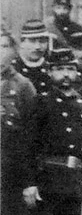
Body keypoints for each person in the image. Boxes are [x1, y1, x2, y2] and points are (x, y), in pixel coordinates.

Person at [21, 48, 82, 215]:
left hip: (78, 179)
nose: (66, 74)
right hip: (49, 180)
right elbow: (27, 146)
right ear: (49, 72)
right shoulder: (41, 103)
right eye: (60, 69)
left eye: (70, 69)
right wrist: (29, 183)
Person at [1, 30, 37, 215]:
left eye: (3, 46)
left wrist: (29, 181)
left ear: (13, 51)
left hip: (11, 173)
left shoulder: (23, 86)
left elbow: (31, 136)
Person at [11, 20, 53, 92]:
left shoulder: (51, 67)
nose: (37, 46)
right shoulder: (13, 68)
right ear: (22, 42)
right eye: (32, 41)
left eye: (42, 41)